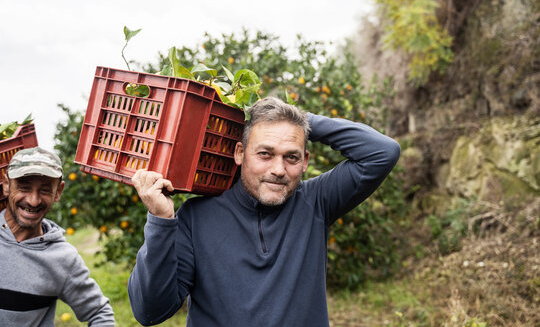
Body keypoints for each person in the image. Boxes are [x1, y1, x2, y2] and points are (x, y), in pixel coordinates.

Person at [128, 97, 401, 326]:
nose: (279, 170)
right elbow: (150, 311)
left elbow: (382, 151)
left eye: (291, 156)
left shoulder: (316, 201)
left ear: (305, 161)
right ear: (239, 153)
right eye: (265, 154)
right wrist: (161, 221)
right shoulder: (195, 217)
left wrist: (299, 122)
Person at [0, 147, 115, 326]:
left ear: (58, 191)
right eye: (24, 187)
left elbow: (100, 312)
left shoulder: (62, 259)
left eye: (45, 190)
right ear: (6, 185)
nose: (33, 200)